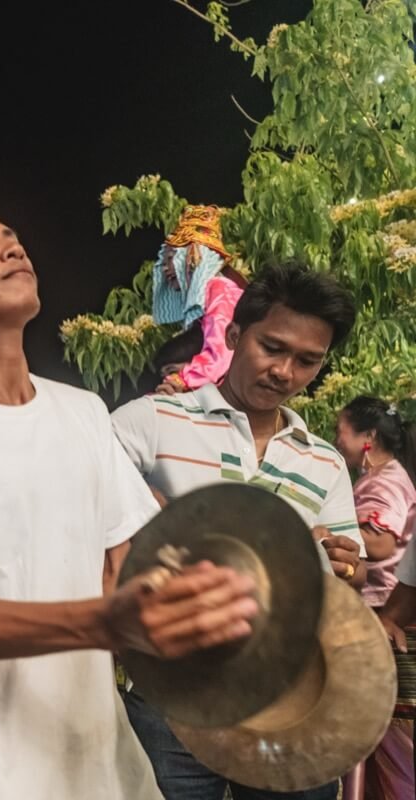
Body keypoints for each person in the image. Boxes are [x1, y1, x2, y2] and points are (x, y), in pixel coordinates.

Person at [0, 197, 259, 800]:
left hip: (99, 758)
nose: (10, 246)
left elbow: (128, 568)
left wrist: (225, 587)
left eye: (10, 234)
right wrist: (101, 621)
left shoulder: (82, 412)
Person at [111, 262, 365, 800]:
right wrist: (141, 513)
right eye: (272, 347)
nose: (285, 371)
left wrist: (346, 566)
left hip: (288, 695)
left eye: (307, 361)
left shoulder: (323, 462)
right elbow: (81, 514)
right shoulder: (150, 421)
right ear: (232, 334)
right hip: (172, 695)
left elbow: (348, 570)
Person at [334, 396, 416, 800]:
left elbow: (381, 544)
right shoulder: (383, 477)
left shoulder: (385, 480)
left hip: (386, 614)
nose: (336, 441)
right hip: (385, 612)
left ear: (367, 438)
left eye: (340, 432)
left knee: (381, 736)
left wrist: (325, 533)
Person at [151, 205, 246, 394]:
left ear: (191, 256)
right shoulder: (213, 293)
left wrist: (182, 379)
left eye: (170, 258)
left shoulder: (221, 289)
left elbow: (222, 353)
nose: (165, 268)